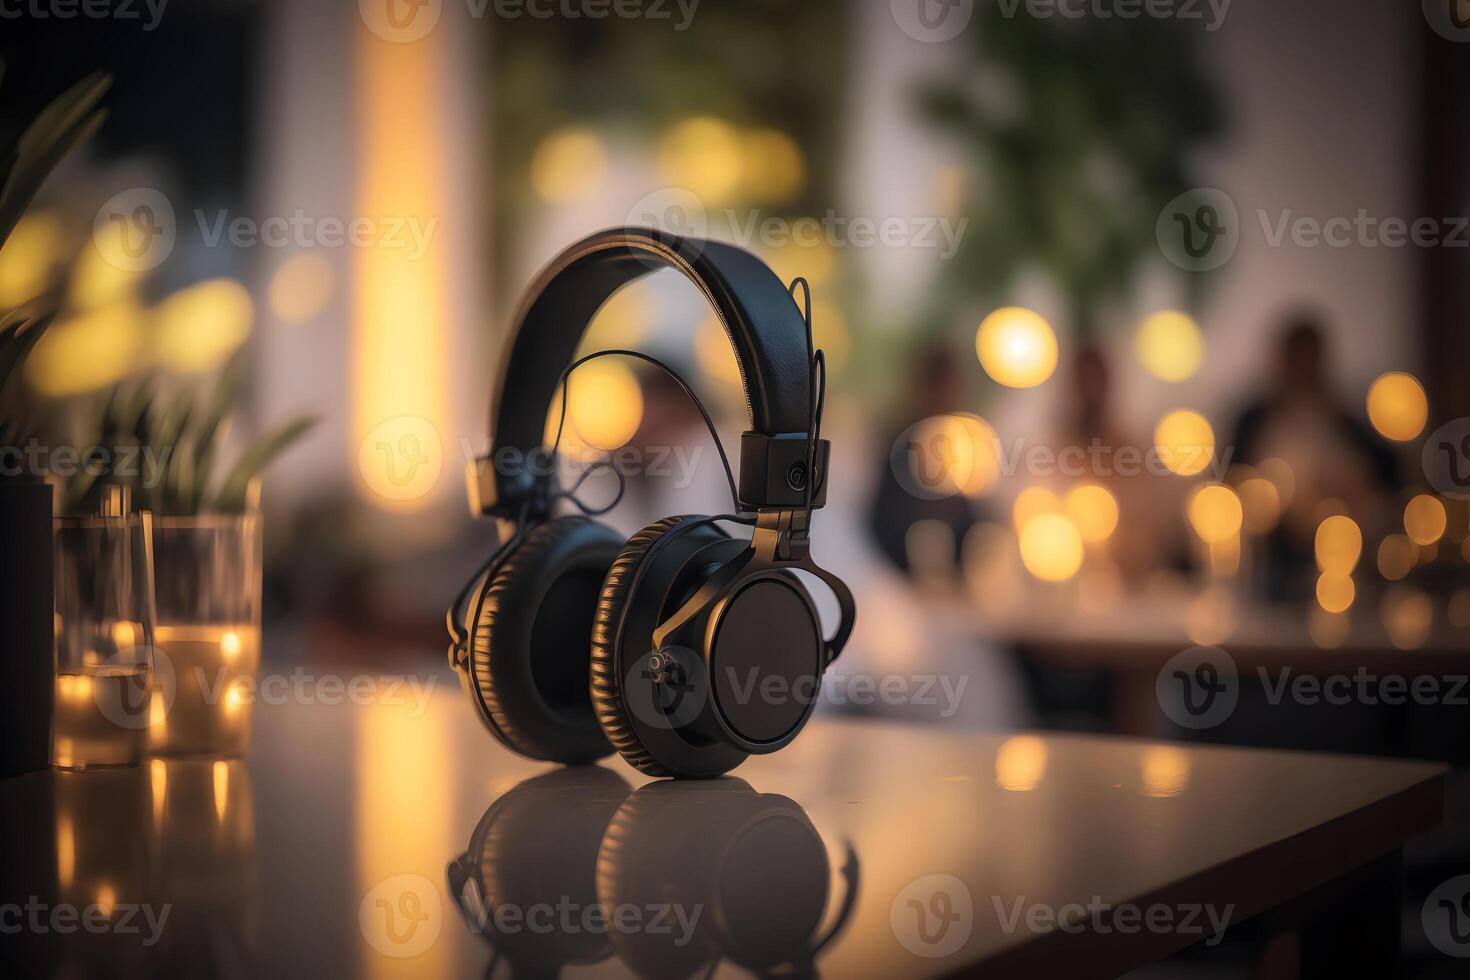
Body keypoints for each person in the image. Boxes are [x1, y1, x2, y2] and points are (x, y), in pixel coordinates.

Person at [1229, 310, 1398, 599]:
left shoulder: (1345, 423)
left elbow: (1388, 478)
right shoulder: (1253, 421)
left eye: (1308, 358)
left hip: (1340, 555)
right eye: (1295, 358)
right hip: (1270, 559)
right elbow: (1230, 481)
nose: (1301, 368)